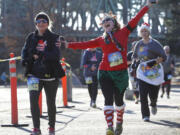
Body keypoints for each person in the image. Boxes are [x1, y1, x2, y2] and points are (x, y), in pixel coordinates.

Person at [61, 1, 152, 134]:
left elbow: (136, 18)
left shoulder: (124, 32)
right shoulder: (100, 39)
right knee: (108, 99)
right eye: (104, 21)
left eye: (108, 20)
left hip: (120, 73)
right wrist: (68, 45)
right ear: (103, 26)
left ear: (114, 23)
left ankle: (119, 122)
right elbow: (84, 44)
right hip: (104, 72)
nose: (106, 22)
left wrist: (147, 5)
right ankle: (109, 126)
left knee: (119, 101)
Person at [21, 12, 65, 135]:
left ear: (48, 23)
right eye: (38, 21)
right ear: (35, 24)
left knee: (50, 102)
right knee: (33, 100)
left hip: (50, 75)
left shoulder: (55, 37)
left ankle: (51, 127)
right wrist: (29, 58)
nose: (41, 23)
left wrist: (41, 54)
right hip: (34, 74)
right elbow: (24, 53)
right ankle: (36, 128)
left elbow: (56, 55)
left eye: (44, 21)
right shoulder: (31, 37)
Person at [132, 22, 167, 122]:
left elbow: (164, 57)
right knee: (143, 94)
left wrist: (155, 61)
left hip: (155, 71)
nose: (144, 33)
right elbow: (135, 56)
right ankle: (145, 115)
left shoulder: (155, 44)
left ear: (148, 32)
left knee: (153, 94)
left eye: (145, 31)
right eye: (142, 31)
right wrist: (135, 62)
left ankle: (153, 103)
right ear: (140, 32)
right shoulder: (139, 44)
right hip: (143, 72)